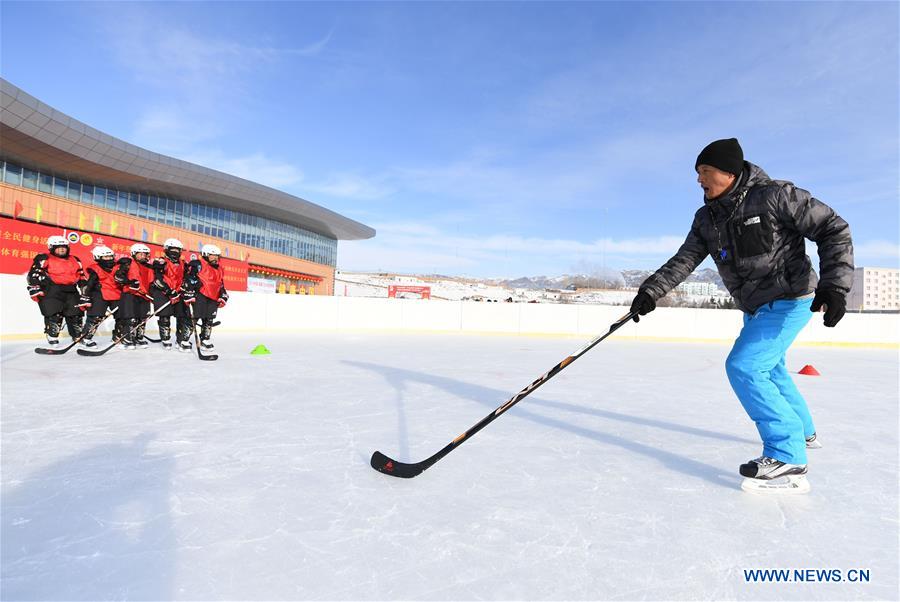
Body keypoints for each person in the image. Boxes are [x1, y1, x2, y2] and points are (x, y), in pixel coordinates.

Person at [629, 138, 853, 493]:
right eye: (697, 173)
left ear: (729, 172)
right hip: (754, 306)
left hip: (790, 297)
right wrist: (651, 291)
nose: (699, 180)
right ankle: (805, 432)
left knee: (745, 367)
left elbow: (832, 228)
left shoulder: (774, 195)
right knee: (771, 368)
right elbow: (685, 259)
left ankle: (787, 454)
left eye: (705, 171)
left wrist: (835, 286)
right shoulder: (707, 218)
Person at [26, 235, 86, 346]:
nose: (62, 249)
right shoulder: (44, 258)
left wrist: (85, 291)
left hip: (71, 290)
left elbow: (81, 277)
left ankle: (77, 337)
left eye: (64, 247)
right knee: (54, 314)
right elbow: (33, 274)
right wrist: (35, 288)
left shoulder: (75, 260)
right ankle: (52, 336)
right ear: (51, 248)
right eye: (58, 247)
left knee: (76, 314)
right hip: (52, 289)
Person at [182, 243, 228, 351]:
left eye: (217, 256)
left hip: (213, 296)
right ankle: (184, 340)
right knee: (194, 318)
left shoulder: (220, 268)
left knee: (209, 319)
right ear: (205, 255)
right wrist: (190, 291)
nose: (215, 258)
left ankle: (205, 339)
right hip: (200, 295)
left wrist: (223, 294)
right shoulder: (197, 264)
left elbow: (220, 283)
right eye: (212, 255)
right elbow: (189, 278)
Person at [81, 245, 125, 348]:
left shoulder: (117, 267)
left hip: (116, 294)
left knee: (122, 316)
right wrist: (86, 295)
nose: (109, 259)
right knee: (95, 317)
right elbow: (90, 284)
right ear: (98, 258)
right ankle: (86, 338)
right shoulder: (95, 269)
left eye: (110, 257)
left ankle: (117, 337)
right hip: (99, 294)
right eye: (105, 257)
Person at [114, 243, 155, 350]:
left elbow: (152, 282)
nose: (143, 256)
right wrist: (130, 282)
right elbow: (118, 277)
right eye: (140, 254)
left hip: (144, 296)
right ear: (133, 254)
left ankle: (139, 337)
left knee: (142, 318)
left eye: (144, 254)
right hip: (130, 294)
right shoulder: (127, 263)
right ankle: (127, 338)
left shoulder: (149, 267)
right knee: (130, 318)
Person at [151, 238, 188, 350]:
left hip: (178, 292)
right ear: (166, 249)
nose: (175, 252)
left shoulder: (183, 264)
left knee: (182, 316)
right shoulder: (160, 262)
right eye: (173, 249)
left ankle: (180, 339)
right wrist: (169, 291)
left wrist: (185, 287)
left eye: (178, 250)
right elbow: (157, 279)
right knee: (165, 316)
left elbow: (185, 278)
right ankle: (165, 338)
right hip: (163, 292)